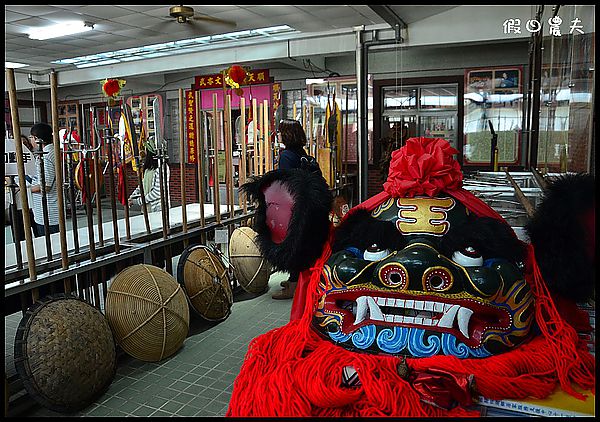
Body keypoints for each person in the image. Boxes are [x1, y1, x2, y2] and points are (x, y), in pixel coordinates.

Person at [271, 119, 309, 300]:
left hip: (294, 205)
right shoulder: (301, 152)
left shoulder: (286, 155)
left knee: (292, 244)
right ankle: (296, 280)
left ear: (286, 134)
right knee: (300, 242)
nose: (278, 134)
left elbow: (286, 183)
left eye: (280, 131)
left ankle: (293, 286)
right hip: (305, 202)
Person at [24, 123, 60, 238]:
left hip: (48, 212)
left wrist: (25, 190)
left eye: (31, 137)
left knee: (49, 245)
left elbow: (45, 186)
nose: (30, 140)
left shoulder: (46, 156)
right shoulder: (53, 152)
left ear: (36, 138)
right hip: (50, 210)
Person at [128, 145, 168, 213]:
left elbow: (157, 193)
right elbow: (142, 185)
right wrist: (132, 196)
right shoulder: (148, 169)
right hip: (146, 209)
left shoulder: (162, 168)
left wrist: (137, 201)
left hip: (159, 209)